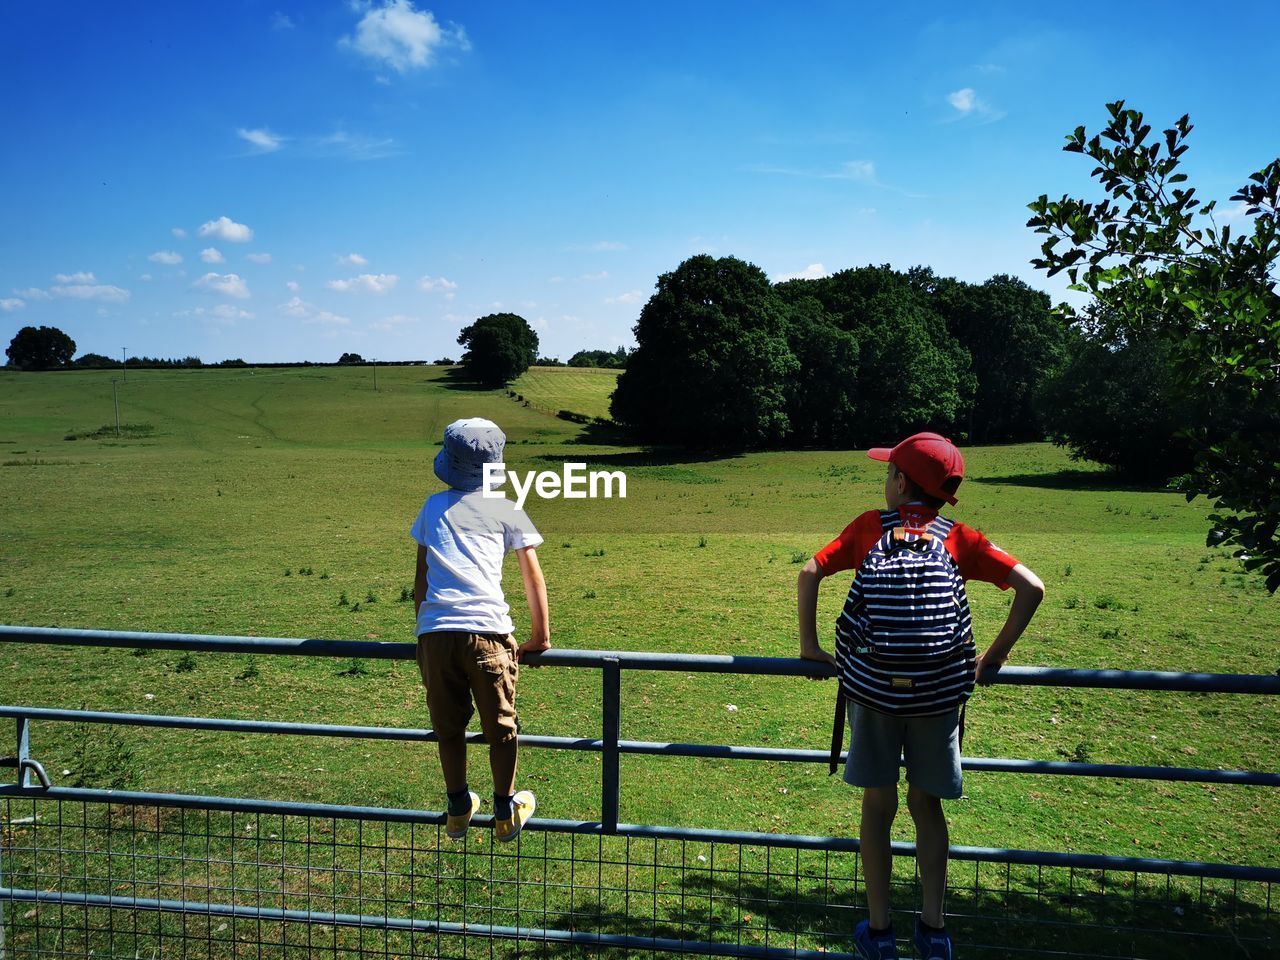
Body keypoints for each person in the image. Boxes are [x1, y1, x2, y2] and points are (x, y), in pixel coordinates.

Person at [796, 432, 1044, 960]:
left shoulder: (869, 527)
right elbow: (1032, 587)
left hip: (874, 694)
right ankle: (933, 932)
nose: (885, 481)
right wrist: (992, 659)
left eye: (889, 473)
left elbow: (810, 570)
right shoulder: (959, 538)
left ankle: (880, 934)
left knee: (877, 806)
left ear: (901, 481)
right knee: (926, 806)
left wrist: (811, 647)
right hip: (937, 698)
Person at [411, 417, 551, 842]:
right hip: (488, 634)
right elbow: (532, 577)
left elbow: (421, 578)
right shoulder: (506, 508)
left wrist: (425, 630)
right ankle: (505, 812)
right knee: (501, 729)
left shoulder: (432, 506)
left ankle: (457, 807)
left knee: (448, 728)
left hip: (435, 635)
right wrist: (540, 636)